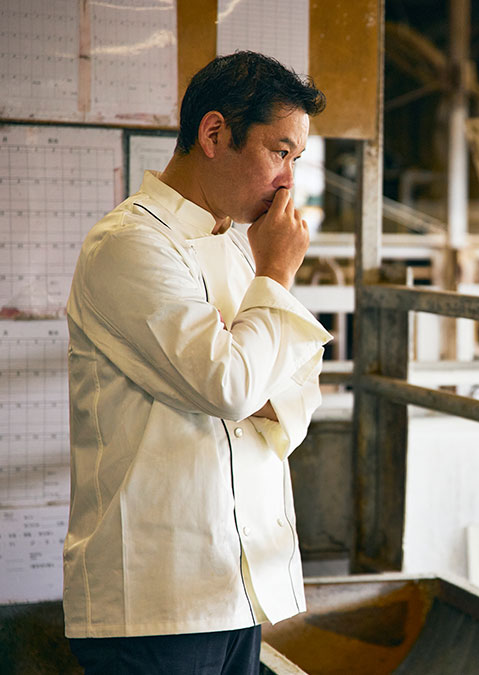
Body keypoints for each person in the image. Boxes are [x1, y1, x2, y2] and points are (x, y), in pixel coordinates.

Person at [63, 51, 331, 674]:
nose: (288, 181)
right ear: (214, 134)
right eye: (279, 152)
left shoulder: (237, 247)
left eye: (296, 160)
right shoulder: (129, 244)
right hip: (154, 599)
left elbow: (300, 382)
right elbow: (233, 385)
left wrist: (254, 356)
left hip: (232, 590)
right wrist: (276, 277)